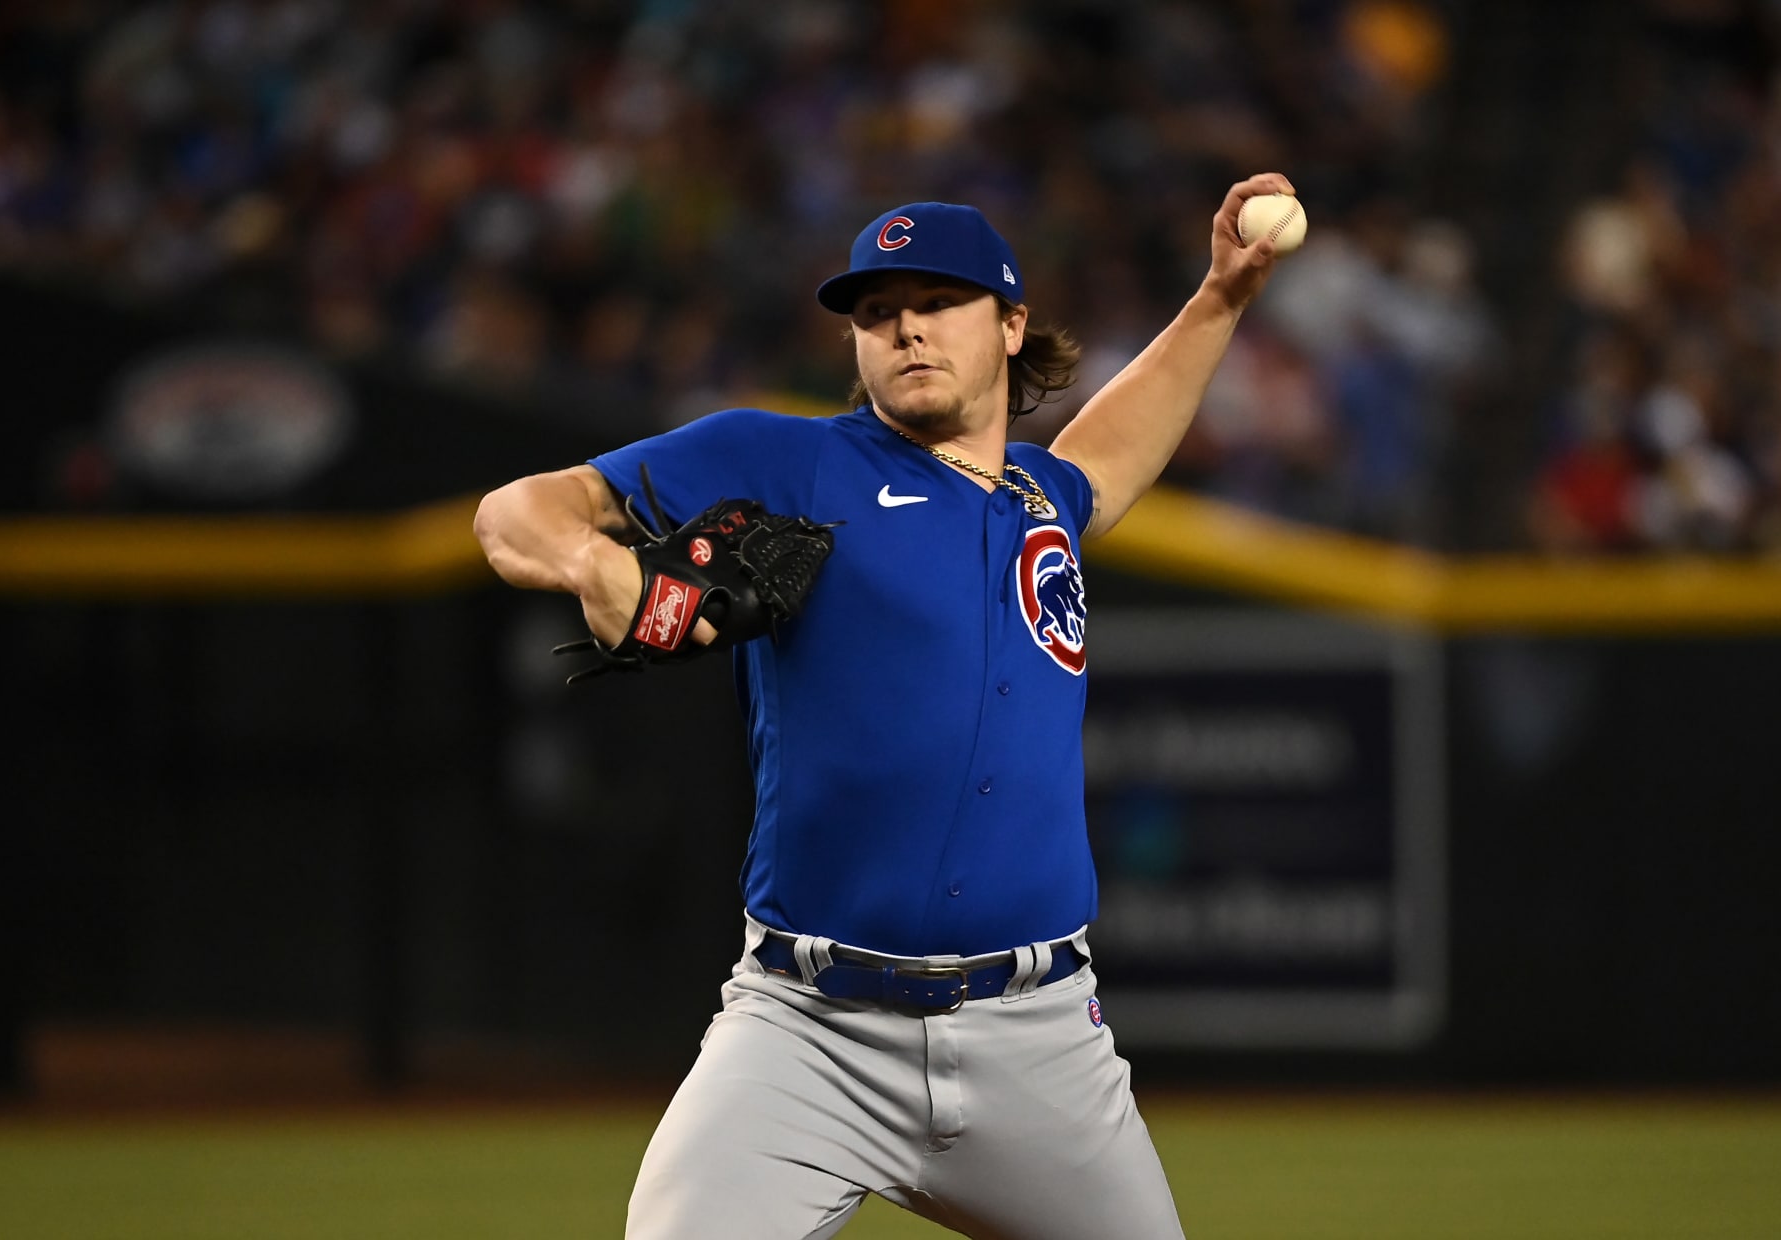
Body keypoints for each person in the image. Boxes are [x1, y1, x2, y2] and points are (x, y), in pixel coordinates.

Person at [473, 173, 1293, 1240]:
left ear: (1010, 325)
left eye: (937, 300)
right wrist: (594, 559)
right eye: (873, 311)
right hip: (808, 1034)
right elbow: (511, 511)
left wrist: (1222, 297)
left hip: (1041, 1038)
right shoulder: (791, 462)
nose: (903, 325)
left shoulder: (1045, 501)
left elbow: (1113, 451)